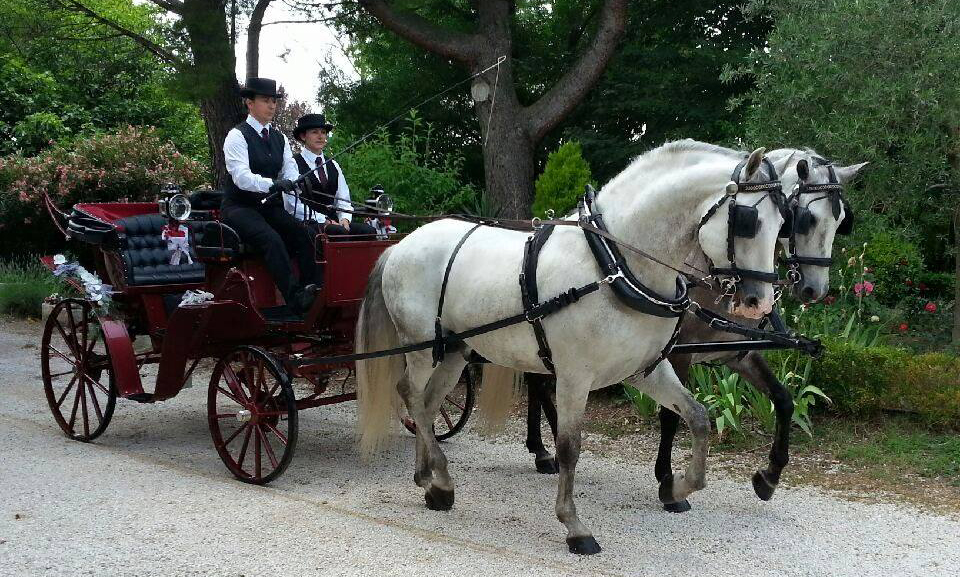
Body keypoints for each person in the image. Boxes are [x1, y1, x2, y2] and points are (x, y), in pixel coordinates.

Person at [221, 77, 319, 315]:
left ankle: (312, 290)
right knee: (271, 239)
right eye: (266, 100)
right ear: (249, 103)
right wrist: (273, 184)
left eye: (274, 101)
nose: (272, 105)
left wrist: (293, 181)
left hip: (268, 207)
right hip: (240, 207)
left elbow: (289, 168)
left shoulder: (280, 138)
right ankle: (294, 298)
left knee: (305, 232)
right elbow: (241, 177)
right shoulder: (237, 136)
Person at [289, 113, 377, 238]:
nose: (320, 136)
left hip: (335, 221)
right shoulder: (293, 164)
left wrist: (344, 220)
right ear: (303, 136)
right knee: (337, 232)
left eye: (323, 132)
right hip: (309, 223)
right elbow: (293, 205)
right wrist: (324, 220)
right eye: (315, 132)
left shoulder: (333, 165)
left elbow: (343, 199)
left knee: (368, 231)